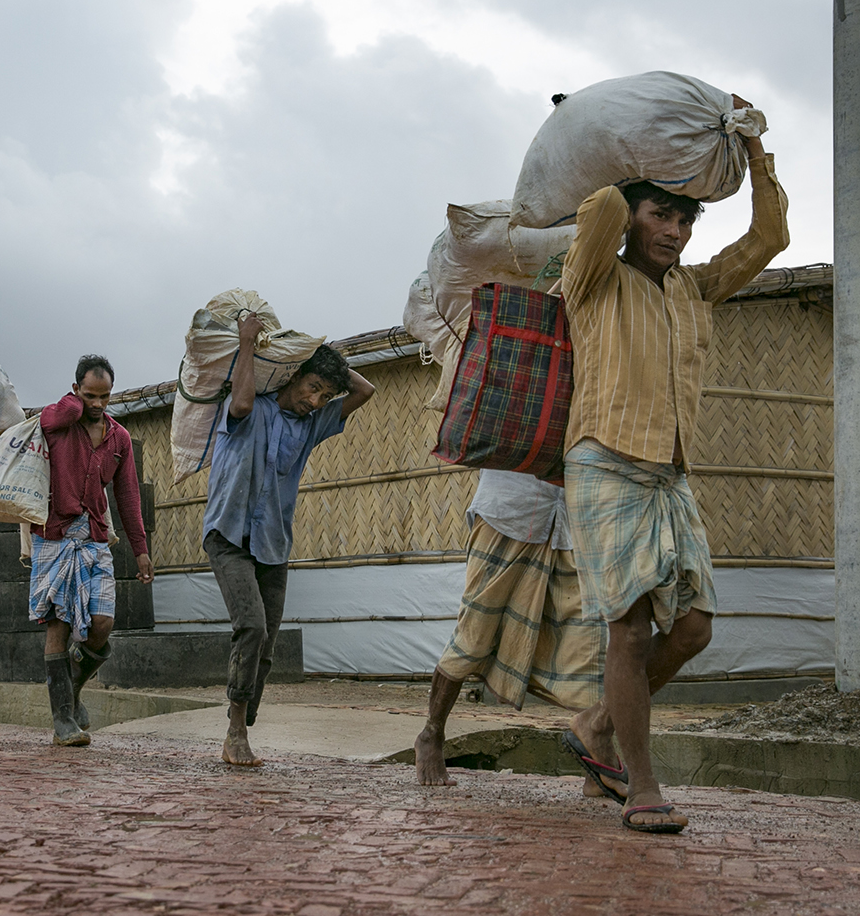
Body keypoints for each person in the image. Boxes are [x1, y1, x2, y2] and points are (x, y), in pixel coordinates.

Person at [559, 96, 787, 834]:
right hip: (604, 462)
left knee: (692, 630)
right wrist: (638, 163)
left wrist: (754, 152)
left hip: (670, 474)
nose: (676, 231)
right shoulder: (592, 276)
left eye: (686, 220)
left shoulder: (694, 287)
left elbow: (770, 235)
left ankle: (596, 724)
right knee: (627, 632)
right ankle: (641, 783)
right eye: (661, 214)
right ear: (633, 218)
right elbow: (596, 211)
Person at [203, 316, 375, 767]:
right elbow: (239, 401)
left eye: (323, 395)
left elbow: (365, 391)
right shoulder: (251, 406)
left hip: (273, 544)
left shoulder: (311, 425)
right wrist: (247, 343)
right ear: (293, 376)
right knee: (252, 627)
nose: (314, 400)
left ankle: (244, 718)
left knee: (268, 644)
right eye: (311, 387)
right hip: (228, 534)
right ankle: (235, 730)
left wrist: (324, 357)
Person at [414, 470, 606, 786]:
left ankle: (597, 758)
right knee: (475, 633)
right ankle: (431, 733)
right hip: (507, 511)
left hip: (570, 522)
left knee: (583, 642)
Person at [31, 355, 154, 746]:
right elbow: (51, 418)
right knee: (58, 623)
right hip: (54, 535)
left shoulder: (118, 439)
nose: (98, 404)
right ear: (75, 390)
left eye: (105, 396)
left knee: (101, 625)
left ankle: (73, 688)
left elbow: (128, 496)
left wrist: (141, 550)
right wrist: (75, 403)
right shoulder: (60, 422)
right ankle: (63, 720)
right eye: (90, 395)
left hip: (96, 539)